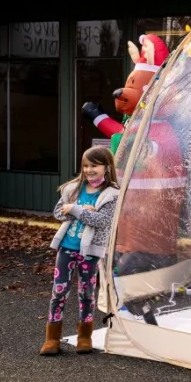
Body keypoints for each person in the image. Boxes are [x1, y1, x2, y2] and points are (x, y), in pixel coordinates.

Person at [40, 147, 120, 356]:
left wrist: (75, 210)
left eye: (94, 165)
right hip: (67, 248)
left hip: (90, 252)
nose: (89, 170)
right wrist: (83, 211)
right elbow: (59, 212)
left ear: (106, 167)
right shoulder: (73, 189)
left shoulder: (111, 195)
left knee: (86, 293)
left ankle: (84, 336)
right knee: (59, 291)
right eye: (85, 166)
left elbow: (102, 221)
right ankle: (52, 338)